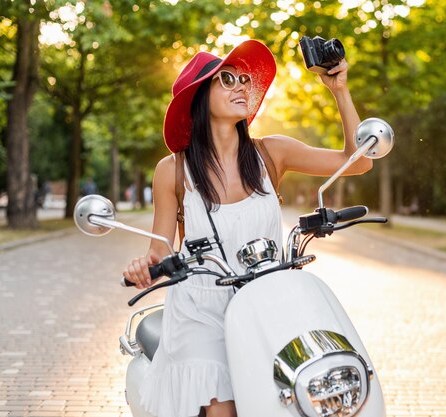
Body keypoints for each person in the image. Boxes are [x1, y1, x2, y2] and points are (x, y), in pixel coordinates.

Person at [123, 39, 373, 417]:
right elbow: (161, 250)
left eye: (244, 79)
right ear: (198, 98)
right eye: (227, 79)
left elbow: (357, 163)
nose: (242, 85)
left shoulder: (271, 153)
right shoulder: (172, 171)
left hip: (268, 300)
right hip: (200, 310)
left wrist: (339, 90)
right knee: (224, 404)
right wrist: (145, 266)